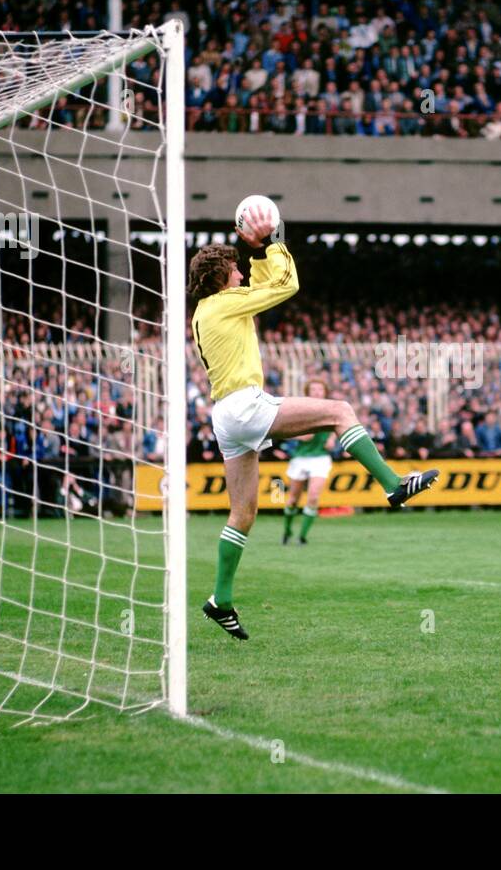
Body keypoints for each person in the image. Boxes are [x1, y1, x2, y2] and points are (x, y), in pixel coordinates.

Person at [188, 203, 438, 639]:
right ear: (219, 278)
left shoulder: (206, 311)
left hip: (225, 415)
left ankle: (220, 600)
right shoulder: (225, 303)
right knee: (340, 410)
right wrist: (270, 240)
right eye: (235, 269)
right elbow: (288, 283)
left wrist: (258, 251)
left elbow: (266, 280)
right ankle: (393, 485)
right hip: (246, 405)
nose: (241, 275)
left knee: (243, 513)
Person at [281, 379, 337, 545]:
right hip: (301, 457)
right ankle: (287, 530)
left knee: (313, 497)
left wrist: (333, 438)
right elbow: (284, 430)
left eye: (320, 389)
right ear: (308, 392)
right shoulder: (301, 409)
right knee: (292, 500)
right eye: (313, 389)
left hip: (321, 457)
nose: (317, 392)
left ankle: (302, 537)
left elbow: (338, 425)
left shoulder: (332, 408)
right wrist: (300, 435)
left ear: (325, 391)